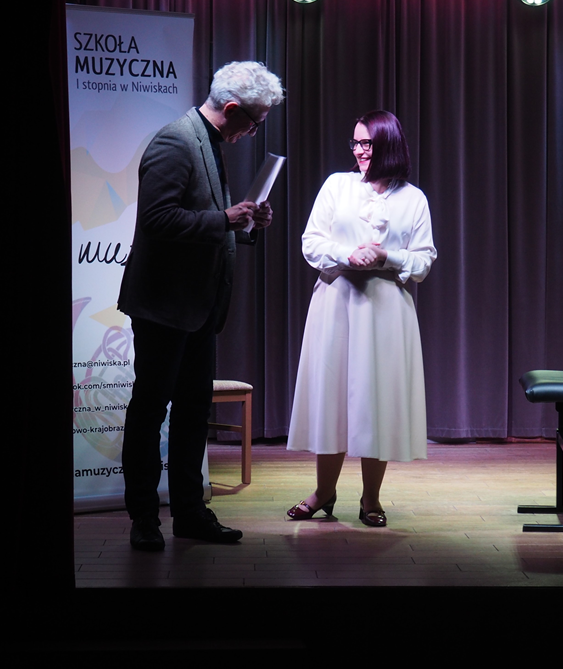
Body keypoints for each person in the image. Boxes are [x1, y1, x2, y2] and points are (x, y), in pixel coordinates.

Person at [118, 61, 285, 551]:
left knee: (193, 413)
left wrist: (245, 223)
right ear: (231, 109)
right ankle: (144, 518)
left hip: (199, 307)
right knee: (150, 412)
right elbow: (158, 219)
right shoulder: (176, 142)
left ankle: (190, 513)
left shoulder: (208, 141)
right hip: (164, 307)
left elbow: (206, 218)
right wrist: (225, 219)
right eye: (253, 122)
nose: (253, 132)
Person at [286, 110, 436, 527]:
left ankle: (371, 498)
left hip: (386, 310)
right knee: (331, 396)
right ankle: (324, 492)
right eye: (355, 143)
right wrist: (346, 254)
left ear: (388, 144)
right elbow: (312, 241)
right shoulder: (338, 185)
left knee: (377, 401)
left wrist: (387, 255)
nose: (359, 151)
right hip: (337, 301)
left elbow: (424, 260)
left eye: (367, 143)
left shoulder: (413, 199)